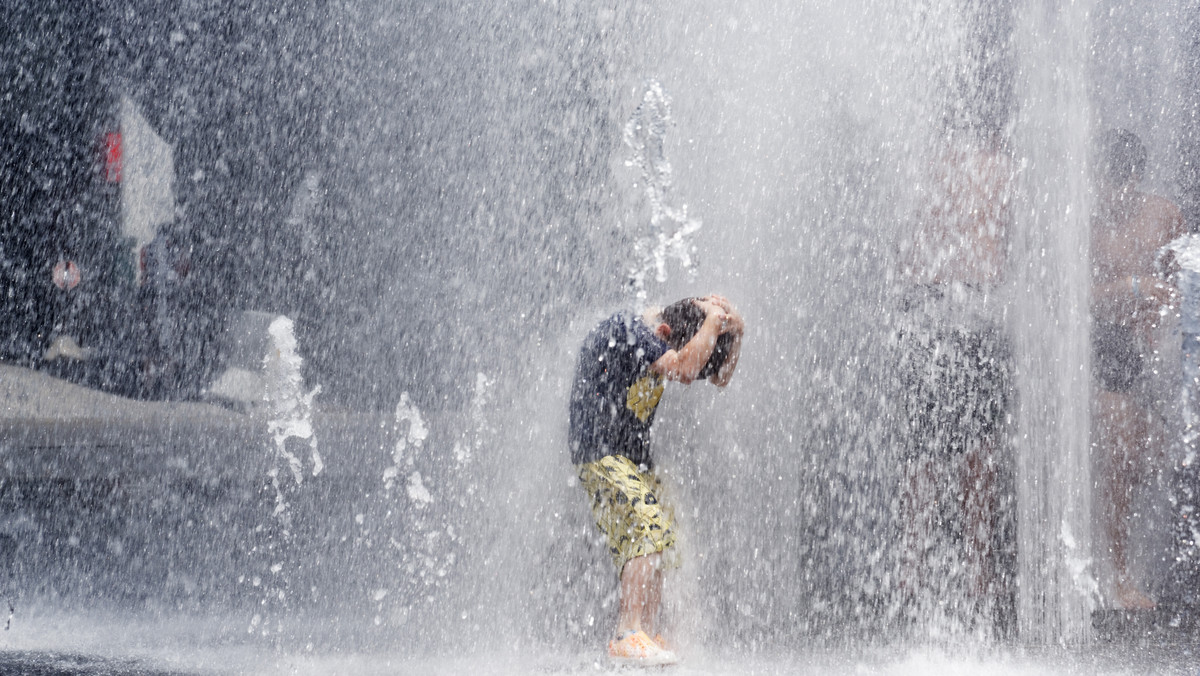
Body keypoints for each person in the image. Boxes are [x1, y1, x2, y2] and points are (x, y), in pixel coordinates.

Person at [568, 294, 743, 665]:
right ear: (665, 332)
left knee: (668, 534)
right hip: (600, 456)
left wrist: (736, 333)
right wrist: (711, 319)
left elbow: (720, 380)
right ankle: (627, 632)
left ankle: (647, 632)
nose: (688, 382)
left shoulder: (659, 341)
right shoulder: (629, 329)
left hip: (631, 463)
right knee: (646, 528)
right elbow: (682, 367)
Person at [895, 120, 1015, 631]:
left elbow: (900, 243)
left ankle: (910, 573)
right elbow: (1013, 244)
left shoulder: (918, 164)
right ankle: (977, 576)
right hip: (978, 304)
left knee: (923, 450)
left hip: (925, 305)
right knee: (976, 449)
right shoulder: (1005, 166)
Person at [1090, 129, 1185, 611]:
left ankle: (1125, 558)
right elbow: (1075, 297)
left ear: (1138, 178)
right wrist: (1132, 286)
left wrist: (1165, 306)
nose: (1118, 196)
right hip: (1106, 345)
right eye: (1111, 183)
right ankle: (1120, 576)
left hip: (1154, 351)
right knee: (1122, 448)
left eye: (1128, 184)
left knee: (1153, 454)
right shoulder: (1087, 223)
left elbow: (1184, 279)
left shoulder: (1164, 215)